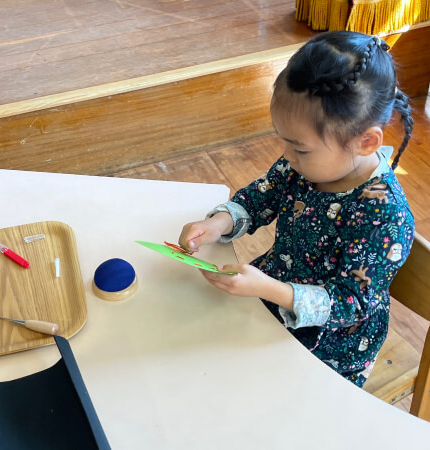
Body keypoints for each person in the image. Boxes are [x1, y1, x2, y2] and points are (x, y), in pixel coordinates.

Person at [178, 31, 415, 387]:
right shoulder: (305, 165)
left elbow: (350, 303)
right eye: (284, 142)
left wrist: (270, 289)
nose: (287, 157)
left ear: (366, 141)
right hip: (269, 294)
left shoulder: (384, 216)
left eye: (300, 149)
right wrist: (219, 222)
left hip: (331, 345)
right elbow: (261, 196)